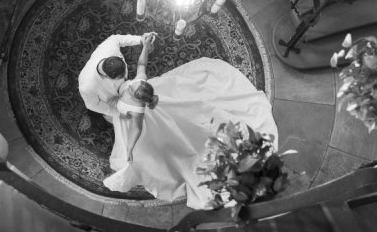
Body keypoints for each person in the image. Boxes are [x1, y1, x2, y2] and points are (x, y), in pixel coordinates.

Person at [103, 38, 278, 210]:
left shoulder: (135, 109)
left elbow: (137, 128)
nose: (130, 85)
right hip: (165, 109)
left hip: (153, 125)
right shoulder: (139, 82)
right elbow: (142, 65)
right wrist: (146, 46)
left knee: (167, 141)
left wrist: (130, 148)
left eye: (131, 88)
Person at [78, 32, 157, 121]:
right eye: (120, 77)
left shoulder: (110, 46)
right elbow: (93, 105)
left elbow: (116, 38)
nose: (127, 80)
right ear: (107, 77)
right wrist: (117, 113)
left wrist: (141, 40)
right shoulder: (87, 87)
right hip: (108, 99)